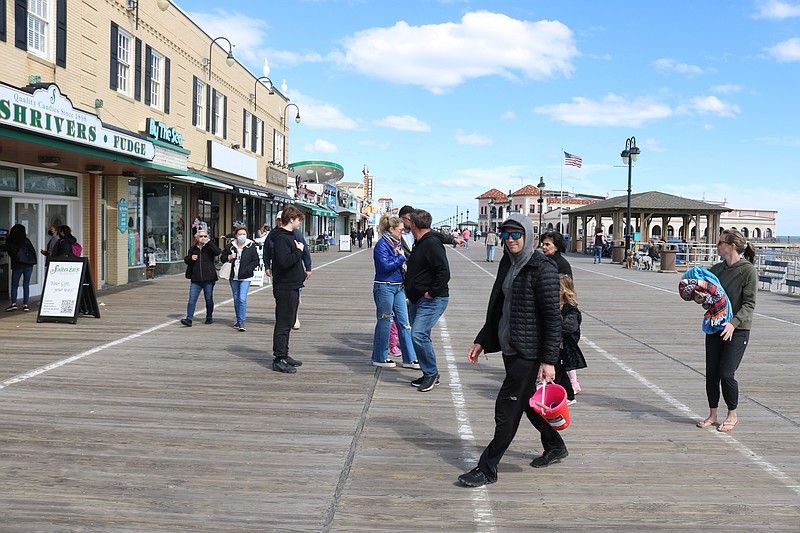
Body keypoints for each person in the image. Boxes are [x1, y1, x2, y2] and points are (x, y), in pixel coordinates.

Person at [458, 214, 564, 488]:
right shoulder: (508, 262)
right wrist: (482, 339)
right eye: (505, 234)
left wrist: (549, 361)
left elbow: (553, 319)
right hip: (510, 346)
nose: (510, 240)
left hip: (529, 352)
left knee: (507, 406)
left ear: (528, 236)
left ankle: (488, 467)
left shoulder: (543, 268)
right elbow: (498, 307)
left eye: (516, 234)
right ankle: (555, 445)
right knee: (526, 402)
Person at [694, 229, 757, 433]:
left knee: (726, 374)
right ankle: (712, 415)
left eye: (720, 242)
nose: (717, 245)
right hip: (715, 326)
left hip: (737, 330)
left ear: (731, 246)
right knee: (711, 373)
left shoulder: (747, 271)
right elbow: (711, 299)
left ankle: (732, 414)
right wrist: (700, 299)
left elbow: (749, 304)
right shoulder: (716, 270)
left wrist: (733, 323)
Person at [405, 209, 450, 392]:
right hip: (417, 298)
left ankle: (431, 373)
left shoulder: (431, 244)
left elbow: (444, 272)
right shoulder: (421, 241)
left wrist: (432, 292)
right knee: (421, 336)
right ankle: (428, 372)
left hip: (432, 299)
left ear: (414, 225)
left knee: (418, 334)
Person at [370, 215, 418, 369]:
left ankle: (410, 358)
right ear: (391, 229)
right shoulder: (382, 245)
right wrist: (400, 258)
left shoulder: (396, 244)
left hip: (398, 286)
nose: (402, 233)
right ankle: (380, 356)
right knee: (385, 321)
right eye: (400, 230)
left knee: (405, 323)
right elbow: (384, 266)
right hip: (384, 286)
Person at [269, 206, 306, 373]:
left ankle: (284, 354)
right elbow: (284, 262)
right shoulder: (281, 238)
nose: (299, 222)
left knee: (289, 321)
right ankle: (279, 358)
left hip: (292, 284)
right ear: (291, 219)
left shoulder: (289, 236)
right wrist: (298, 251)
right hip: (285, 286)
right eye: (298, 219)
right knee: (283, 323)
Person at [264, 211, 312, 330]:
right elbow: (267, 251)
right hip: (280, 274)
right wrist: (267, 266)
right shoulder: (274, 235)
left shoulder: (295, 233)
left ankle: (294, 316)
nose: (280, 222)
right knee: (282, 302)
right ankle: (287, 318)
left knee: (293, 299)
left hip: (294, 274)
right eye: (278, 220)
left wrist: (308, 267)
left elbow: (304, 250)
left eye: (281, 219)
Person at [221, 225, 260, 332]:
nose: (242, 236)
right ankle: (238, 320)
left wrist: (249, 269)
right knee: (236, 298)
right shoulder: (230, 246)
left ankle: (241, 321)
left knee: (242, 298)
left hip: (245, 276)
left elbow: (255, 260)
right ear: (235, 235)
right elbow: (222, 258)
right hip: (233, 276)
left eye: (244, 234)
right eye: (240, 234)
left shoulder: (250, 246)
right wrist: (229, 257)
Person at [180, 229, 221, 327]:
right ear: (196, 238)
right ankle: (189, 318)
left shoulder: (209, 247)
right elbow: (186, 259)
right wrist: (191, 258)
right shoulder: (193, 248)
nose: (203, 238)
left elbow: (217, 252)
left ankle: (209, 317)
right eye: (201, 236)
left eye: (205, 236)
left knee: (209, 298)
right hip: (196, 278)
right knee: (192, 299)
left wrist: (209, 243)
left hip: (209, 278)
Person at [556, 275, 587, 405]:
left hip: (565, 346)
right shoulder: (556, 306)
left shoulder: (570, 309)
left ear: (563, 290)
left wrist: (553, 330)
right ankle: (568, 395)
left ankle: (566, 395)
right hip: (556, 345)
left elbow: (570, 326)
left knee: (560, 372)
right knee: (560, 372)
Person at [5, 224, 37, 312]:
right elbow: (32, 250)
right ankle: (25, 305)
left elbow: (8, 251)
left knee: (14, 285)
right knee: (26, 284)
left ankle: (14, 304)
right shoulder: (26, 240)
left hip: (17, 265)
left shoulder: (10, 241)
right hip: (28, 265)